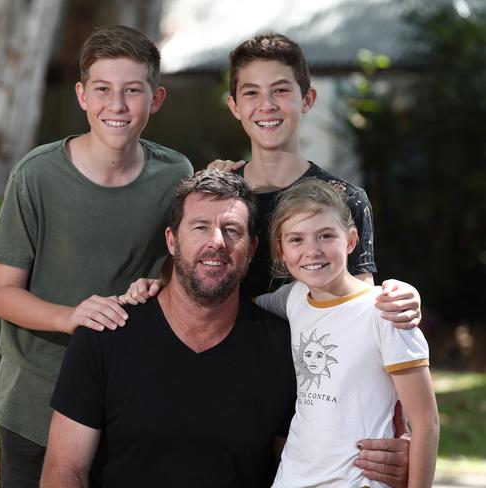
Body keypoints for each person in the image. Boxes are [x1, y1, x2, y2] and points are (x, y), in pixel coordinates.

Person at [120, 33, 419, 485]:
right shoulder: (219, 196)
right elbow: (185, 279)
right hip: (226, 386)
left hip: (314, 403)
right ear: (233, 105)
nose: (268, 105)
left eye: (281, 90)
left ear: (307, 98)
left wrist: (403, 432)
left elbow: (361, 322)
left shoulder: (342, 201)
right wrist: (151, 283)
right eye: (251, 93)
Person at [0, 25, 193, 487]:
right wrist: (69, 316)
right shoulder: (36, 176)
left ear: (155, 99)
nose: (116, 106)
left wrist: (159, 281)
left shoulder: (175, 174)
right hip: (35, 398)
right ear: (82, 96)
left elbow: (174, 264)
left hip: (126, 397)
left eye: (132, 91)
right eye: (102, 89)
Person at [40, 169, 296, 488]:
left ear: (252, 249)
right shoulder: (104, 336)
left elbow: (303, 466)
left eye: (231, 230)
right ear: (172, 241)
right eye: (200, 227)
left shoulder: (282, 348)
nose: (216, 242)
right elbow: (65, 470)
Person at [255, 178, 439, 487]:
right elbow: (229, 309)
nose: (312, 251)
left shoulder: (385, 312)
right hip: (292, 479)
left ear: (351, 241)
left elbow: (426, 423)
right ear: (281, 250)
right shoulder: (293, 297)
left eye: (326, 236)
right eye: (296, 240)